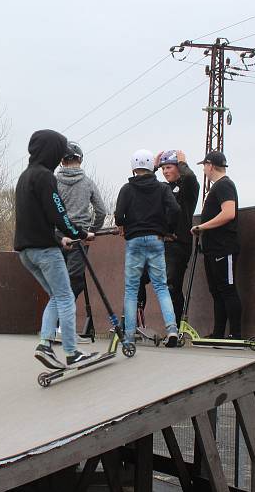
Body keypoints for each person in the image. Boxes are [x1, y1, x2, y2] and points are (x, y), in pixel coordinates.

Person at [15, 129, 98, 369]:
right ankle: (72, 352)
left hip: (26, 251)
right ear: (51, 151)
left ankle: (44, 345)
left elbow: (34, 217)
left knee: (56, 296)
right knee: (66, 297)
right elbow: (58, 212)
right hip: (45, 251)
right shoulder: (44, 177)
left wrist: (58, 238)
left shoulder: (25, 176)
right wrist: (80, 234)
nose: (60, 158)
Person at [114, 149, 181, 348]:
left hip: (134, 240)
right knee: (161, 287)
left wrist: (124, 225)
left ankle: (127, 336)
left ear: (133, 168)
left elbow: (118, 216)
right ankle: (171, 330)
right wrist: (167, 230)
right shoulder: (162, 188)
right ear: (152, 166)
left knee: (132, 289)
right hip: (156, 239)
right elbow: (175, 210)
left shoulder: (127, 189)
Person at [136, 150, 200, 327]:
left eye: (169, 167)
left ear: (178, 167)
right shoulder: (163, 188)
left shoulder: (188, 187)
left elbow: (190, 178)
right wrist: (153, 168)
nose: (165, 171)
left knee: (172, 285)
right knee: (139, 276)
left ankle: (174, 328)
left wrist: (183, 162)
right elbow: (141, 186)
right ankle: (137, 323)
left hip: (178, 244)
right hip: (157, 243)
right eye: (163, 168)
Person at [191, 150, 242, 339]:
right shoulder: (217, 187)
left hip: (224, 247)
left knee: (228, 289)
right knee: (216, 291)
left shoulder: (224, 185)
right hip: (212, 248)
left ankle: (236, 334)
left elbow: (229, 213)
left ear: (210, 165)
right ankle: (218, 332)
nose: (204, 170)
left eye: (204, 166)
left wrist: (202, 226)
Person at [56, 141, 107, 300]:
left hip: (58, 236)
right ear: (80, 160)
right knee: (75, 281)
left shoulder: (53, 182)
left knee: (58, 281)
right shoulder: (87, 182)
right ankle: (61, 320)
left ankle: (54, 319)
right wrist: (91, 231)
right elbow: (101, 211)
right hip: (80, 237)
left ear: (62, 161)